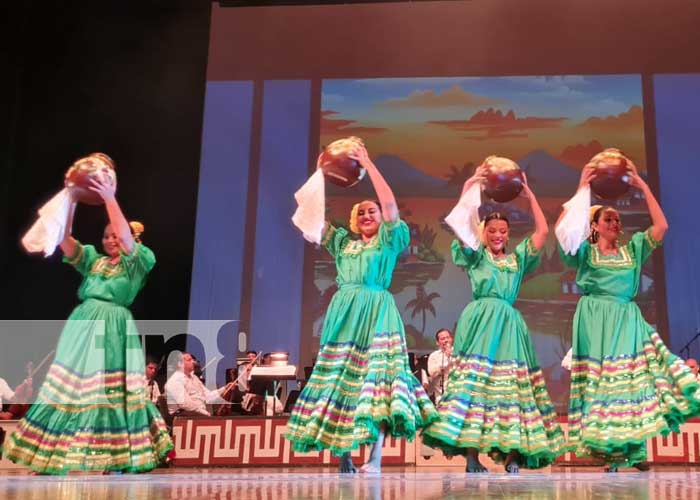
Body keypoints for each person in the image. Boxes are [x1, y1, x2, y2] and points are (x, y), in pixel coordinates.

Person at [3, 168, 173, 474]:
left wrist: (109, 197)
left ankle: (117, 456)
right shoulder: (94, 260)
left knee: (107, 391)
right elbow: (65, 240)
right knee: (68, 389)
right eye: (105, 236)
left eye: (115, 235)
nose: (110, 240)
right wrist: (72, 200)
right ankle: (52, 456)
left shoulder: (137, 262)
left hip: (113, 326)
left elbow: (125, 236)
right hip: (82, 326)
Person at [285, 141, 438, 473]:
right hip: (344, 316)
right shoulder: (342, 243)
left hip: (377, 311)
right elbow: (310, 219)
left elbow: (390, 204)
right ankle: (344, 455)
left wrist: (368, 162)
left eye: (373, 212)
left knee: (377, 382)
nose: (369, 214)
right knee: (344, 381)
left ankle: (376, 457)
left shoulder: (388, 240)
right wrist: (321, 175)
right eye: (362, 212)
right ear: (355, 220)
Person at [555, 151, 700, 471]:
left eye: (617, 219)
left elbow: (661, 225)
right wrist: (582, 186)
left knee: (631, 382)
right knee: (603, 385)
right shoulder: (585, 252)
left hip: (626, 318)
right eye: (608, 218)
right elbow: (565, 233)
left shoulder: (633, 248)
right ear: (594, 224)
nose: (615, 222)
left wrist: (641, 186)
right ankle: (611, 454)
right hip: (595, 319)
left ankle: (632, 450)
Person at [423, 160, 566, 473]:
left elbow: (543, 231)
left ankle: (512, 457)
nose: (498, 235)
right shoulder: (476, 256)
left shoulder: (517, 260)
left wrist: (529, 197)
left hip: (509, 326)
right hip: (480, 322)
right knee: (475, 387)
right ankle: (472, 457)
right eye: (492, 230)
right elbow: (462, 223)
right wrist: (468, 188)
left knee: (512, 388)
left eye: (503, 231)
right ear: (484, 233)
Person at [164, 352, 235, 417]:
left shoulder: (194, 378)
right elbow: (186, 404)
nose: (193, 362)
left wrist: (225, 388)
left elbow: (208, 397)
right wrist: (205, 413)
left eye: (192, 360)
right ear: (180, 364)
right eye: (189, 360)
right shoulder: (175, 380)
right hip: (183, 416)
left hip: (197, 414)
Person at [424, 329, 453, 404]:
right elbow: (432, 373)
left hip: (457, 395)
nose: (446, 340)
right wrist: (446, 356)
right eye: (443, 339)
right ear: (437, 342)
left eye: (448, 337)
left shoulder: (458, 353)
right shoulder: (434, 356)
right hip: (441, 396)